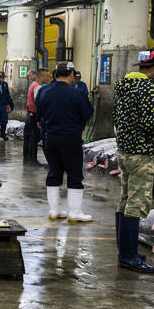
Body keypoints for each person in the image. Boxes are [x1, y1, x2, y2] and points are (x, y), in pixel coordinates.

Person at [113, 48, 154, 274]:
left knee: (125, 200)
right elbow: (150, 123)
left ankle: (125, 252)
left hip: (125, 151)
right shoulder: (147, 88)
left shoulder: (123, 84)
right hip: (141, 155)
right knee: (136, 205)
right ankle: (128, 257)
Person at [35, 61, 94, 222]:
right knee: (74, 174)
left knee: (54, 172)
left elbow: (38, 116)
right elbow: (88, 113)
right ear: (71, 74)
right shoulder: (77, 93)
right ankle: (74, 212)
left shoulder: (43, 92)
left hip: (50, 138)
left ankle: (54, 211)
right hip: (71, 138)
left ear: (55, 74)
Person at [23, 68, 50, 165]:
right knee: (34, 137)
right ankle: (32, 159)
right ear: (42, 77)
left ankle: (27, 158)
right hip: (34, 115)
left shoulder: (33, 85)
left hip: (30, 114)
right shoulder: (38, 87)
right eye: (47, 76)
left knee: (29, 137)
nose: (48, 78)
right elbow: (38, 103)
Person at [0, 71, 14, 141]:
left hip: (3, 105)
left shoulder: (5, 84)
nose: (3, 79)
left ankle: (3, 134)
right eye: (2, 78)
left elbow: (7, 95)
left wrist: (10, 103)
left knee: (4, 120)